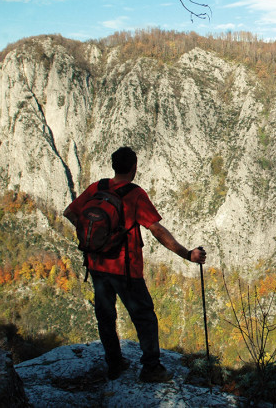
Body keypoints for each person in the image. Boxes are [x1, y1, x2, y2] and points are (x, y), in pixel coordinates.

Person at [63, 146, 206, 382]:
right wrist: (187, 254)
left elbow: (70, 212)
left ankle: (114, 364)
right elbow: (157, 230)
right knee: (144, 317)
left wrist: (94, 240)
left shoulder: (97, 188)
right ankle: (151, 368)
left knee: (105, 317)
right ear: (134, 167)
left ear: (113, 165)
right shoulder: (135, 194)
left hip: (96, 265)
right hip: (125, 270)